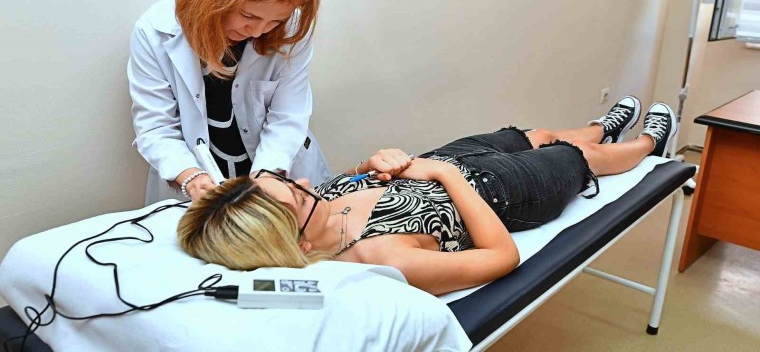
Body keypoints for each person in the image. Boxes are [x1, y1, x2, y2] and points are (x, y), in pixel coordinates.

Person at [177, 97, 677, 295]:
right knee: (577, 157)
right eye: (296, 196)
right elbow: (502, 257)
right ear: (299, 247)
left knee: (537, 133)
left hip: (448, 160)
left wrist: (368, 166)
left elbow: (344, 182)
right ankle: (647, 144)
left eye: (287, 179)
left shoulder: (313, 210)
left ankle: (602, 125)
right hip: (503, 194)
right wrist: (446, 176)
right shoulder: (380, 256)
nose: (306, 184)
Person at [128, 0, 331, 206]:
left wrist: (267, 179)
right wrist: (191, 178)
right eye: (249, 15)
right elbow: (156, 128)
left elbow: (288, 117)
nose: (258, 31)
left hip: (278, 171)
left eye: (274, 21)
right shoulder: (154, 30)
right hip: (196, 180)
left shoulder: (291, 28)